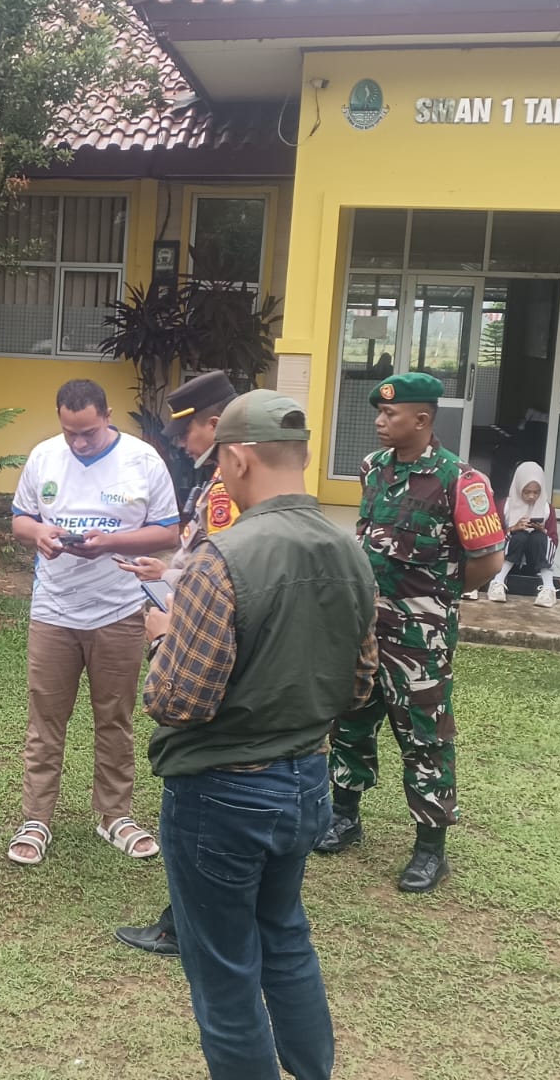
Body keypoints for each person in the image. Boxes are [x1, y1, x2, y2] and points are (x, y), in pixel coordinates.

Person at [142, 390, 378, 1080]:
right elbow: (358, 685)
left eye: (220, 463)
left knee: (224, 973)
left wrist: (163, 639)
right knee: (285, 939)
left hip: (222, 794)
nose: (219, 475)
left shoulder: (222, 557)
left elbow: (179, 700)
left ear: (240, 459)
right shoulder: (351, 551)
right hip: (306, 782)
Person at [316, 372, 505, 893]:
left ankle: (429, 849)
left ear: (421, 419)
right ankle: (344, 817)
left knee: (424, 736)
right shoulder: (373, 469)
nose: (380, 422)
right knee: (350, 721)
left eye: (390, 415)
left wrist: (434, 599)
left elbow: (488, 562)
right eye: (379, 413)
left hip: (421, 638)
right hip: (365, 626)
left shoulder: (460, 481)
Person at [7, 379, 181, 865]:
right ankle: (36, 818)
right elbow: (19, 519)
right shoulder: (44, 456)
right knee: (45, 720)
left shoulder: (143, 460)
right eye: (70, 433)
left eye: (88, 432)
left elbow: (168, 532)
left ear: (107, 416)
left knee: (115, 718)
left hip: (119, 611)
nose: (79, 443)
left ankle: (114, 816)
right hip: (54, 611)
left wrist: (110, 543)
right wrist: (40, 533)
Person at [113, 370, 240, 956]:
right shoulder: (215, 484)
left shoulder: (226, 492)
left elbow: (226, 577)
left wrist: (168, 626)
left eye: (187, 433)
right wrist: (167, 572)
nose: (182, 444)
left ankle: (182, 923)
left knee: (197, 785)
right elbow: (206, 562)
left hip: (201, 650)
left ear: (214, 425)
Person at [487, 460, 560, 607]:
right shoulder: (505, 506)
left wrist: (543, 531)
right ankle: (498, 581)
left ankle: (548, 587)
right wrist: (512, 528)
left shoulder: (546, 509)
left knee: (539, 537)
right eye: (527, 492)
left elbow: (553, 540)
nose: (532, 496)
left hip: (535, 561)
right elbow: (492, 534)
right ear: (518, 487)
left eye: (536, 492)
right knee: (520, 536)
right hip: (506, 557)